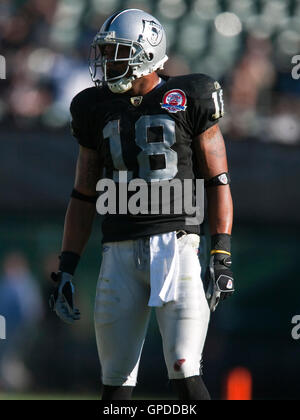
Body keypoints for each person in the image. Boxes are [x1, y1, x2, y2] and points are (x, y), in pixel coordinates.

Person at [49, 8, 234, 400]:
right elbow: (83, 194)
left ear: (146, 54)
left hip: (177, 248)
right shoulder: (92, 107)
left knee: (184, 371)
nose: (107, 63)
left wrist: (221, 253)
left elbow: (218, 180)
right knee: (115, 385)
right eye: (105, 53)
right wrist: (67, 265)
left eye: (117, 52)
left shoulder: (190, 95)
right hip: (117, 252)